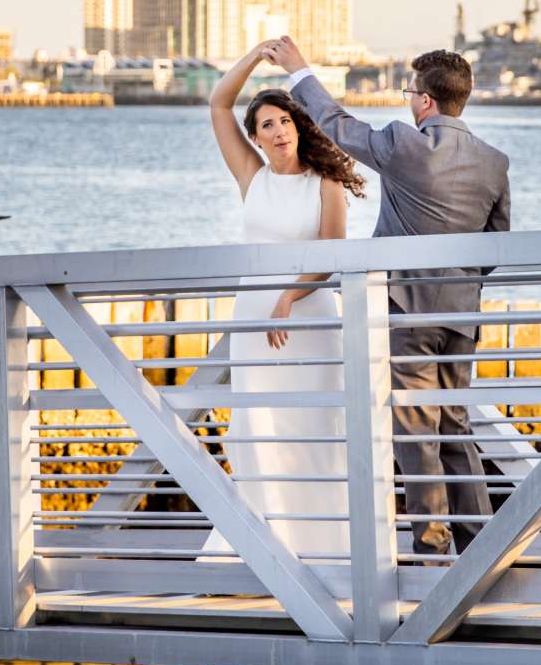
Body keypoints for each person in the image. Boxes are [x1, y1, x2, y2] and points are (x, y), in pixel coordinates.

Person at [268, 36, 511, 556]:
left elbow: (336, 125)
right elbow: (495, 247)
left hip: (407, 311)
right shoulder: (495, 161)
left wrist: (299, 71)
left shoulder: (405, 144)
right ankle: (478, 545)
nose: (407, 100)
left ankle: (431, 547)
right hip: (462, 312)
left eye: (409, 92)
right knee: (456, 425)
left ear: (425, 101)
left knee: (417, 428)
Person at [201, 40, 367, 561]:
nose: (277, 132)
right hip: (254, 318)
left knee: (313, 427)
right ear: (255, 137)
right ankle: (259, 548)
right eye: (267, 125)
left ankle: (323, 547)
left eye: (284, 122)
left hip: (308, 318)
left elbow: (333, 254)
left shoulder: (326, 183)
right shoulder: (251, 178)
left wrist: (289, 297)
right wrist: (255, 57)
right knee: (254, 428)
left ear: (299, 127)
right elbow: (218, 104)